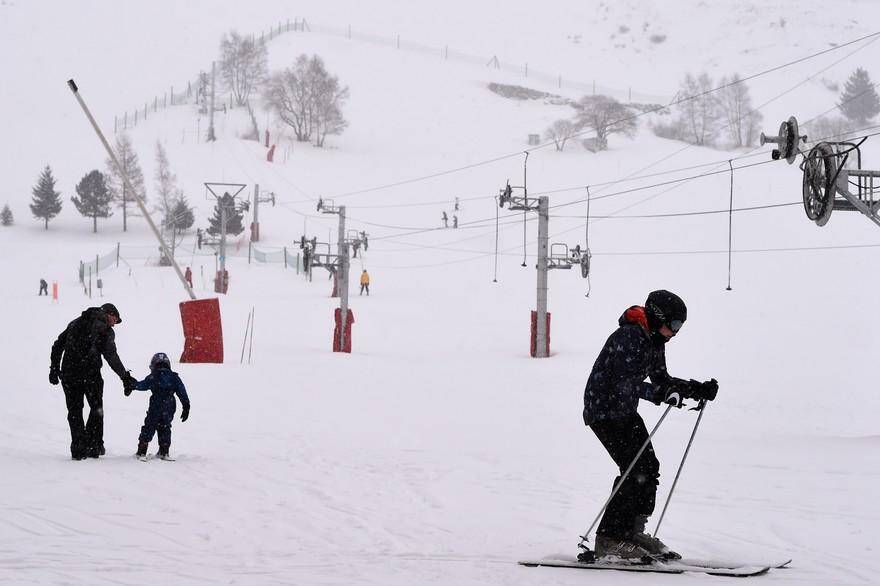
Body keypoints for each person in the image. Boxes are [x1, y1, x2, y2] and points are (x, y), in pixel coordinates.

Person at [582, 290, 718, 560]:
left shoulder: (654, 341)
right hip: (604, 410)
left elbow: (660, 379)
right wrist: (660, 395)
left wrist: (695, 389)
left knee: (648, 468)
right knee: (634, 470)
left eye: (681, 326)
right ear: (658, 316)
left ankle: (632, 532)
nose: (676, 332)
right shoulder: (629, 337)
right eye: (675, 325)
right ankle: (610, 538)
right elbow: (624, 384)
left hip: (623, 411)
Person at [49, 303, 135, 460]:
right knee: (96, 409)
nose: (115, 324)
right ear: (109, 314)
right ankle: (93, 445)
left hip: (70, 374)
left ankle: (78, 448)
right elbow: (111, 356)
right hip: (91, 375)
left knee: (74, 411)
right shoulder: (105, 330)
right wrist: (124, 377)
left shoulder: (75, 322)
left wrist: (54, 368)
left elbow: (58, 345)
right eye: (115, 320)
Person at [126, 352, 190, 460]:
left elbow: (142, 385)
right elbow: (182, 392)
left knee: (150, 426)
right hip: (170, 404)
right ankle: (164, 451)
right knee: (165, 426)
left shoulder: (153, 376)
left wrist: (132, 385)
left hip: (156, 403)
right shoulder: (174, 377)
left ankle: (142, 451)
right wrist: (186, 406)